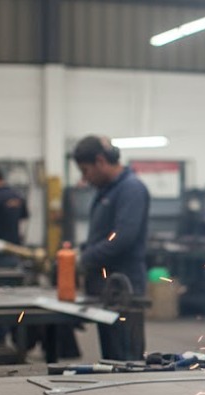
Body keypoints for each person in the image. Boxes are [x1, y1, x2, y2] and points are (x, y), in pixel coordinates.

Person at [73, 135, 149, 360]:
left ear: (100, 161)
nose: (84, 178)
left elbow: (122, 239)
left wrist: (84, 259)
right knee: (112, 359)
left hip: (123, 290)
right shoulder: (107, 190)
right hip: (106, 288)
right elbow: (103, 236)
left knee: (126, 360)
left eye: (86, 170)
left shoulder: (130, 189)